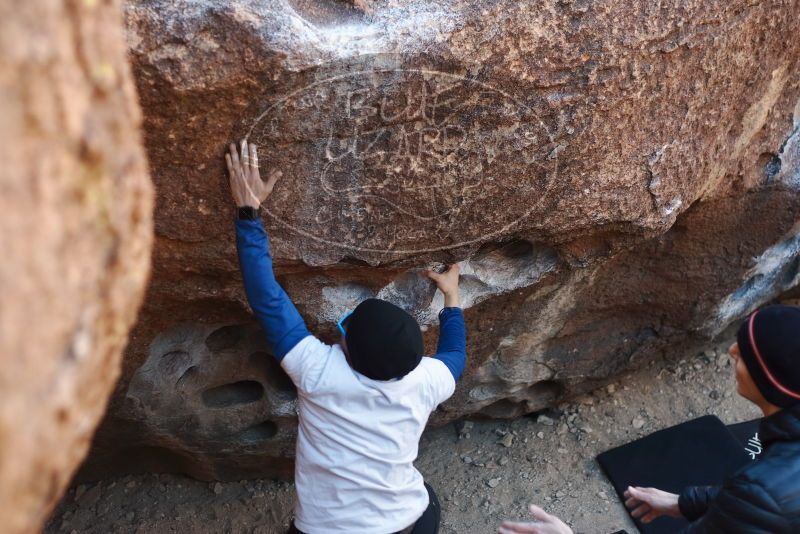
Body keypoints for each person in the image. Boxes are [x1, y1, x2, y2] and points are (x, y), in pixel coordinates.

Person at [225, 140, 467, 534]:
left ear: (346, 347)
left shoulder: (318, 372)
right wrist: (451, 295)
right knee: (425, 501)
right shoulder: (426, 380)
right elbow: (454, 354)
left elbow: (266, 297)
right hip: (411, 524)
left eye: (344, 327)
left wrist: (248, 212)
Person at [497, 304, 800, 534]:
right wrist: (685, 504)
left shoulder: (759, 492)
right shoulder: (767, 487)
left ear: (769, 381)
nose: (732, 350)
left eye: (746, 353)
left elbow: (761, 499)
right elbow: (771, 503)